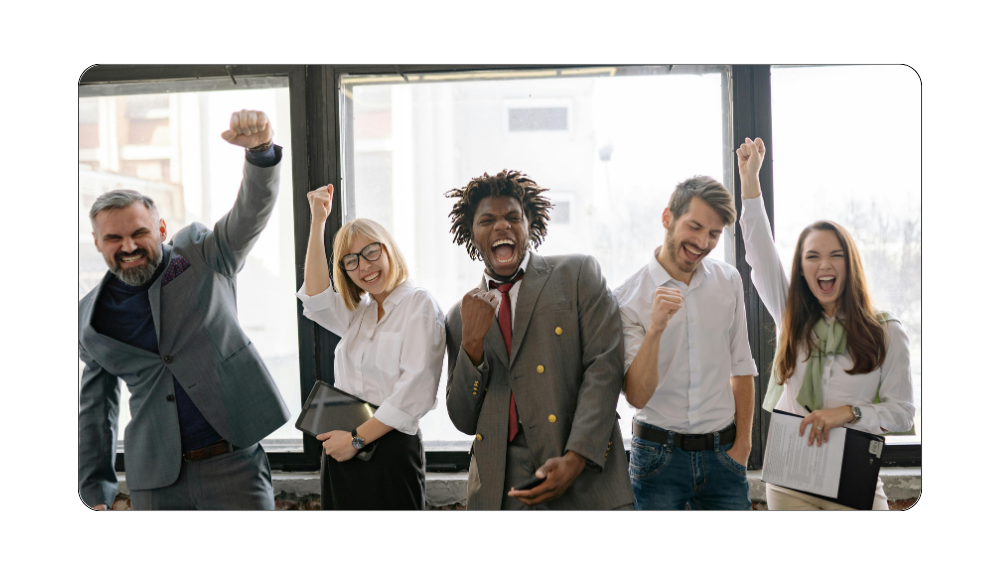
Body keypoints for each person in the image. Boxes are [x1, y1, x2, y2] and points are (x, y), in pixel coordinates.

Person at [79, 109, 290, 510]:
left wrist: (260, 153)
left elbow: (249, 216)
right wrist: (94, 494)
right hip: (156, 480)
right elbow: (96, 412)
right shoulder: (90, 320)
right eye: (114, 238)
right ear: (97, 243)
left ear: (160, 229)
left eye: (139, 233)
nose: (128, 246)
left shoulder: (201, 255)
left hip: (233, 464)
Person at [737, 137, 915, 510]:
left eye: (835, 255)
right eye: (812, 256)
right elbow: (759, 250)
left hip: (853, 474)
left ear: (851, 265)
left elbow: (902, 412)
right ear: (801, 269)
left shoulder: (884, 330)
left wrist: (849, 412)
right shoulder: (792, 316)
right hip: (791, 475)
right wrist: (750, 180)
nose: (824, 264)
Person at [443, 170, 634, 510]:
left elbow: (604, 368)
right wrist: (471, 345)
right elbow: (463, 419)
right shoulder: (459, 316)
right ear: (471, 234)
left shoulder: (578, 274)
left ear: (530, 225)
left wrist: (576, 458)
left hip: (586, 479)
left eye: (513, 217)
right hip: (500, 491)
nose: (502, 226)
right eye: (487, 220)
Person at [614, 176, 759, 510]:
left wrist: (743, 447)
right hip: (657, 460)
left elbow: (741, 366)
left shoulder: (729, 281)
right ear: (667, 218)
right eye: (694, 227)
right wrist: (655, 329)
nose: (702, 242)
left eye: (714, 234)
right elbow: (636, 395)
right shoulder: (627, 299)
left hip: (725, 457)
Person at [297, 184, 445, 510]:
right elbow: (317, 298)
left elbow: (416, 391)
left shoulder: (418, 304)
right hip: (340, 447)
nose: (364, 266)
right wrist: (318, 221)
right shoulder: (359, 312)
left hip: (386, 450)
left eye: (371, 252)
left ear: (389, 249)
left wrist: (356, 440)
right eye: (351, 260)